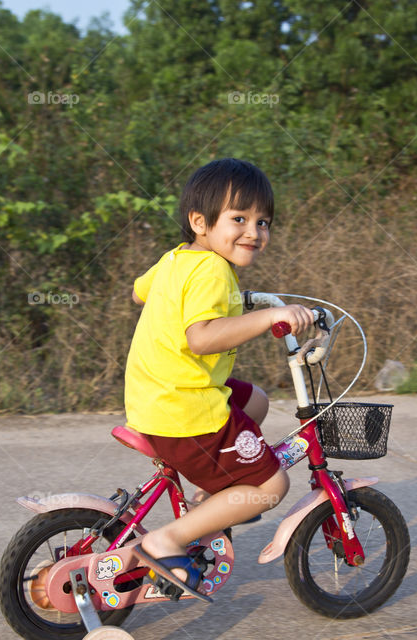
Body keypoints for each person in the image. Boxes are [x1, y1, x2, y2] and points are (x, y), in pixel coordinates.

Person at [125, 158, 316, 600]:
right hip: (185, 412)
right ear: (200, 221)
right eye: (239, 219)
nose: (254, 232)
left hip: (157, 396)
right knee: (272, 486)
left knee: (256, 402)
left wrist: (226, 298)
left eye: (263, 221)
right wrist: (269, 315)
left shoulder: (177, 258)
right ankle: (167, 541)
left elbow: (139, 291)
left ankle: (210, 499)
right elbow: (201, 337)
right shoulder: (212, 270)